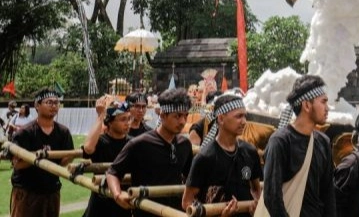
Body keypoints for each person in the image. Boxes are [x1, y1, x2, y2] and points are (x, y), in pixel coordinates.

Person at [107, 88, 194, 217]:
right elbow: (113, 172)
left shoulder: (184, 145)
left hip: (176, 213)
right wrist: (117, 195)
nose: (182, 121)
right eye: (177, 116)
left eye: (185, 115)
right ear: (163, 115)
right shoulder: (139, 144)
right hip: (146, 212)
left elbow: (191, 177)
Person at [261, 74, 335, 217]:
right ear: (307, 105)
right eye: (323, 102)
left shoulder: (323, 142)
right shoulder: (280, 142)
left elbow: (328, 193)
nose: (327, 108)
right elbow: (272, 197)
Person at [183, 94, 261, 217]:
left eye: (245, 116)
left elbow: (256, 189)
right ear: (221, 119)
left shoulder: (250, 152)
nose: (244, 121)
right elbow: (187, 201)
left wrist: (257, 206)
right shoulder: (205, 157)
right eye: (238, 116)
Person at [10, 88, 75, 217]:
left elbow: (63, 162)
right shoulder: (25, 132)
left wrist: (72, 155)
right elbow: (17, 164)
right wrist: (38, 159)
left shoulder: (63, 132)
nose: (54, 106)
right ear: (37, 105)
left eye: (56, 103)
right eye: (49, 102)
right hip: (27, 192)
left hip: (51, 192)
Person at [82, 96, 132, 217]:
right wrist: (101, 115)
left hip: (123, 201)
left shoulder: (133, 143)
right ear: (109, 121)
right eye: (123, 119)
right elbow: (88, 148)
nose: (127, 123)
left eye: (129, 119)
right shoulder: (101, 142)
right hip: (101, 202)